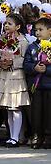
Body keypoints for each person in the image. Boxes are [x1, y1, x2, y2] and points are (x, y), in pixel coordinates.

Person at [0, 13, 30, 147]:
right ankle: (11, 136)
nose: (6, 26)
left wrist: (12, 63)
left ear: (18, 26)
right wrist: (0, 64)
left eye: (10, 24)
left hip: (16, 76)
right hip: (5, 76)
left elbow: (25, 60)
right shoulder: (3, 40)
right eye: (6, 23)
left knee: (15, 108)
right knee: (8, 108)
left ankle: (16, 137)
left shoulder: (23, 41)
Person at [24, 17, 51, 149]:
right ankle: (36, 136)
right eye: (35, 30)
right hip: (35, 85)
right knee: (35, 112)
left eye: (41, 29)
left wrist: (46, 69)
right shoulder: (32, 47)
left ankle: (48, 137)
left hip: (49, 85)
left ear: (50, 31)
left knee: (48, 112)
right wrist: (34, 68)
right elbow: (26, 64)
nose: (37, 33)